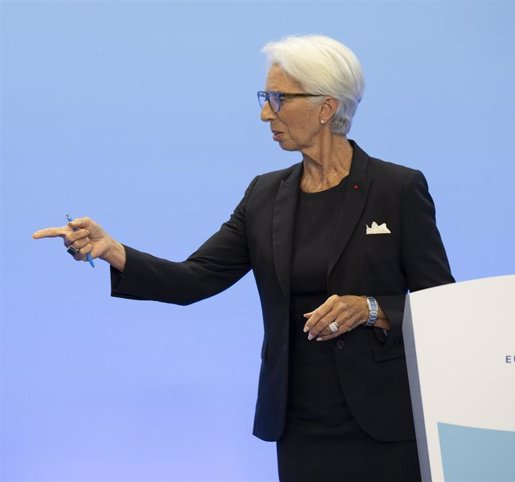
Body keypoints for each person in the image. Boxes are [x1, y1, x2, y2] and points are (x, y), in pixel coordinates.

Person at [33, 34, 455, 482]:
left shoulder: (398, 189)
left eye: (278, 98)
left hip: (385, 425)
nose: (264, 113)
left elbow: (443, 307)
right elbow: (193, 279)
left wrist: (371, 309)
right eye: (264, 97)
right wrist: (114, 251)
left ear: (326, 107)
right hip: (298, 421)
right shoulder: (264, 195)